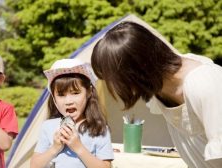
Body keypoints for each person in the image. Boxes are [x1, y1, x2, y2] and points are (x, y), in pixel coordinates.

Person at [91, 21, 222, 168]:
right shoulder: (158, 85)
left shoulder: (204, 82)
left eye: (115, 79)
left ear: (136, 69)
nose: (115, 87)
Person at [30, 58, 114, 168]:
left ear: (88, 92)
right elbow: (34, 165)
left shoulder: (99, 129)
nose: (68, 101)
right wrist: (55, 148)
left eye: (75, 93)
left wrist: (78, 147)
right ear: (54, 98)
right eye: (61, 95)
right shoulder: (48, 126)